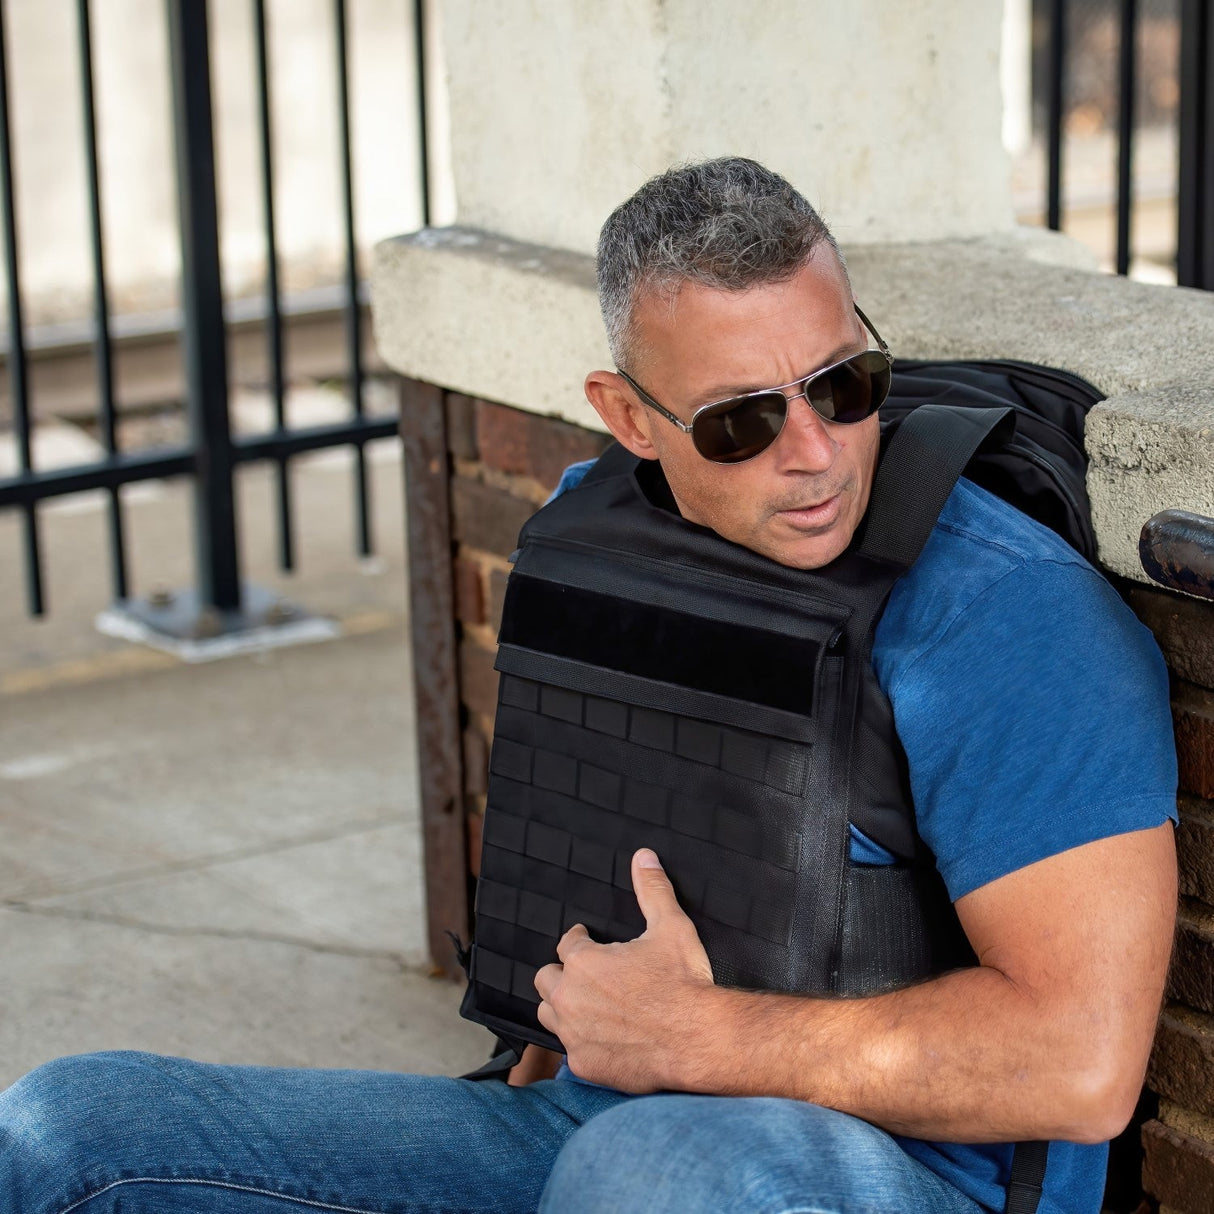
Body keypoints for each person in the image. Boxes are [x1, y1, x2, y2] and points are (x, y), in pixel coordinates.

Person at [0, 158, 1177, 1214]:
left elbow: (1078, 1063)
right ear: (628, 419)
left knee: (651, 1171)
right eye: (738, 420)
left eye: (842, 382)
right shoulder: (598, 537)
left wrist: (699, 1038)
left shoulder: (1004, 618)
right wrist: (552, 1012)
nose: (813, 448)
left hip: (878, 1172)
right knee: (73, 1132)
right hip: (593, 1126)